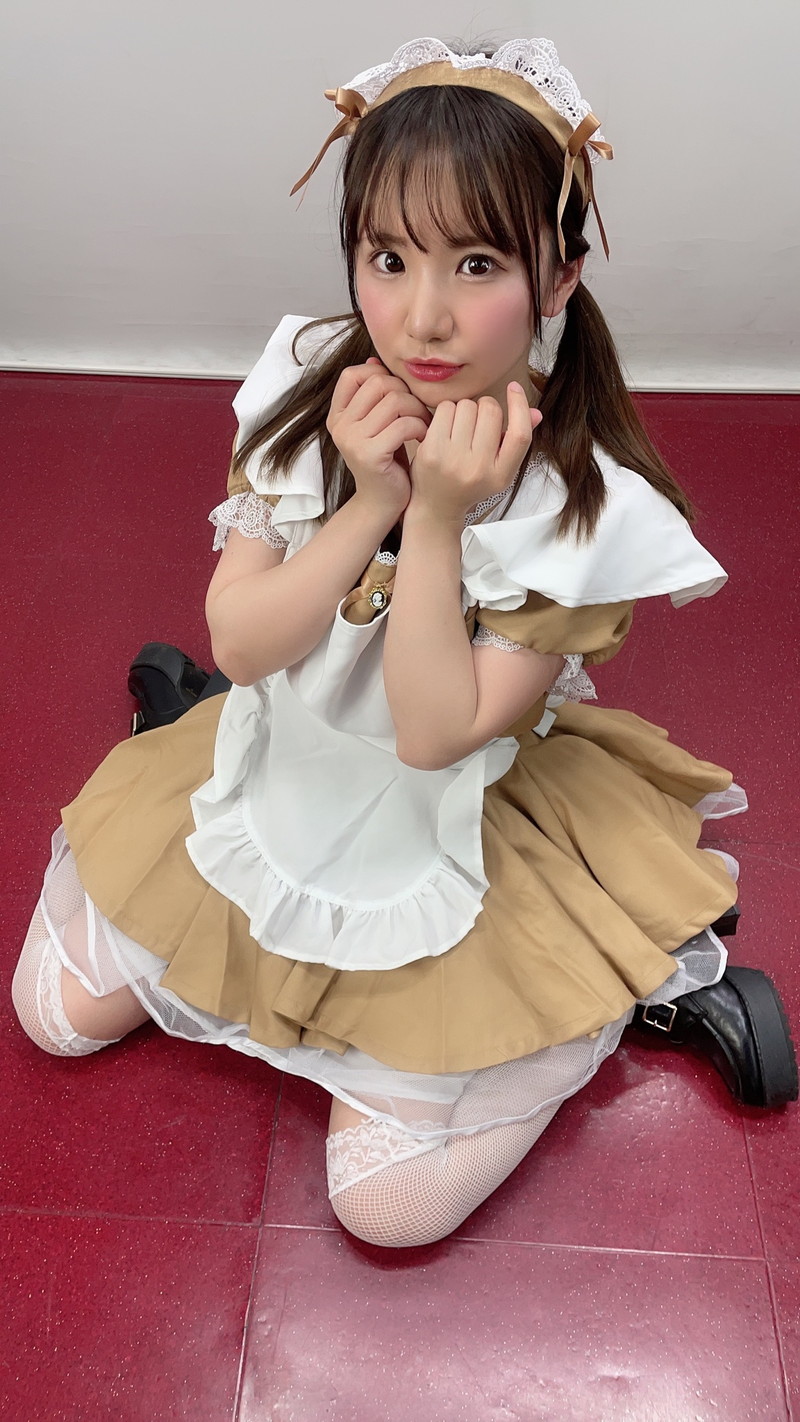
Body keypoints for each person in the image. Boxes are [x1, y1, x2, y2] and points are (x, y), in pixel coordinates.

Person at [12, 35, 796, 1248]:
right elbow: (244, 648)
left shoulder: (581, 501)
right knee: (51, 1016)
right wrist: (367, 500)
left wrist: (432, 520)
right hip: (281, 762)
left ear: (557, 277)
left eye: (475, 263)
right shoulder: (309, 380)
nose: (420, 315)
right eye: (387, 257)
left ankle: (592, 1012)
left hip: (450, 812)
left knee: (384, 1211)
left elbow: (432, 735)